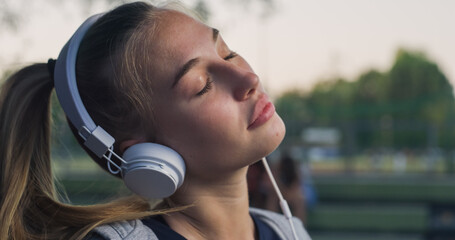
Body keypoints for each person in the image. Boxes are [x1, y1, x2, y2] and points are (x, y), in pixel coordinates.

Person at [0, 2, 311, 240]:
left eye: (227, 54)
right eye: (201, 85)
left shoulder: (289, 231)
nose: (249, 77)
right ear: (148, 153)